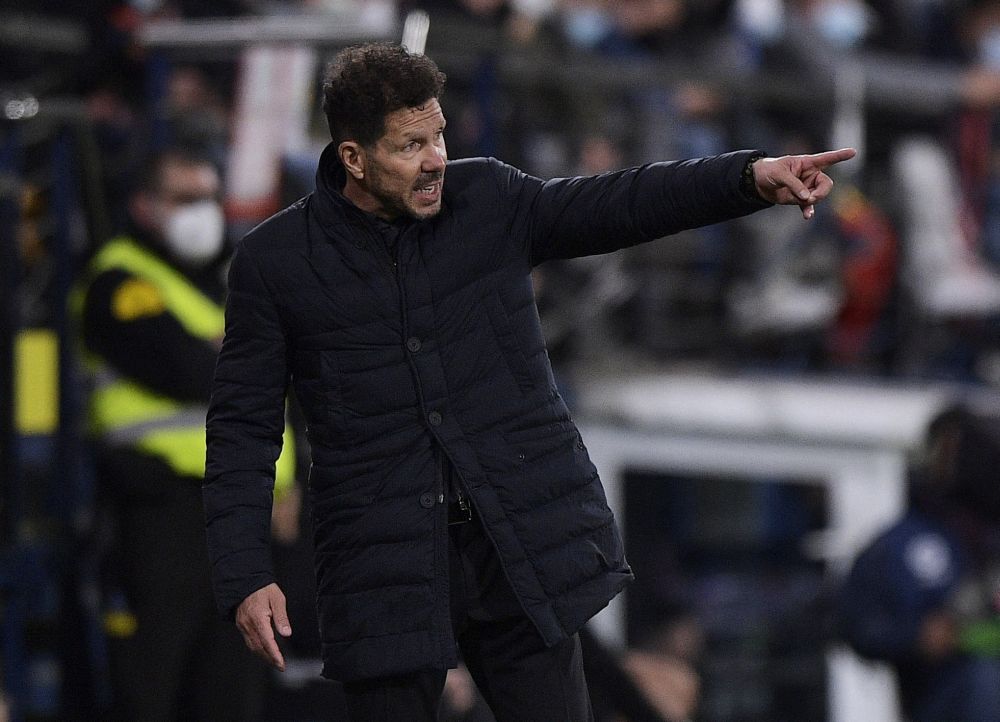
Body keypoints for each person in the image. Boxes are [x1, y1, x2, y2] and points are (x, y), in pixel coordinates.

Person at [203, 42, 854, 722]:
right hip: (381, 566)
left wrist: (747, 178)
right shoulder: (275, 263)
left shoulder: (488, 198)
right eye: (411, 145)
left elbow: (621, 202)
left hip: (517, 548)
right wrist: (245, 574)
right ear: (353, 158)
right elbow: (243, 428)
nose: (436, 160)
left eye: (439, 136)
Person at [74, 145, 295, 721]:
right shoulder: (119, 281)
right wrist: (253, 355)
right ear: (145, 206)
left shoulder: (226, 279)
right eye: (185, 198)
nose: (203, 211)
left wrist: (285, 484)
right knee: (154, 681)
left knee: (233, 682)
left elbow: (283, 375)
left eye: (210, 197)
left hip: (244, 513)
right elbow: (187, 369)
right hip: (163, 511)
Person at [837, 404, 1000, 722]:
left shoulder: (989, 535)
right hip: (945, 697)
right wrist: (917, 636)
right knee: (982, 681)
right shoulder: (903, 543)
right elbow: (858, 624)